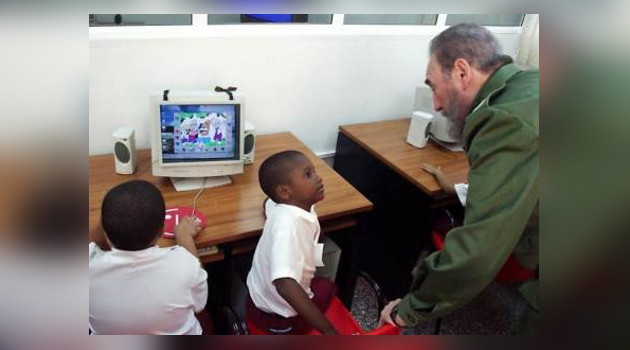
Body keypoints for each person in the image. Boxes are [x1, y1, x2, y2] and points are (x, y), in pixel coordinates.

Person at [379, 23, 539, 334]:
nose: (436, 105)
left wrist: (408, 309)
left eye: (434, 86)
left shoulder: (504, 120)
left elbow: (479, 248)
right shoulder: (528, 83)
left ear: (462, 72)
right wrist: (466, 189)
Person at [89, 180, 209, 335]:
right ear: (161, 231)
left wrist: (107, 224)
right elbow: (200, 304)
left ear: (105, 234)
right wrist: (185, 237)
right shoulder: (185, 267)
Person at [246, 150, 339, 335]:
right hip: (277, 317)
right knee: (329, 289)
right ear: (284, 192)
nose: (318, 178)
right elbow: (284, 283)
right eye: (308, 175)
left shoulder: (286, 205)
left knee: (321, 282)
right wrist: (329, 331)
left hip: (260, 297)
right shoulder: (287, 227)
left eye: (313, 171)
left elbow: (268, 203)